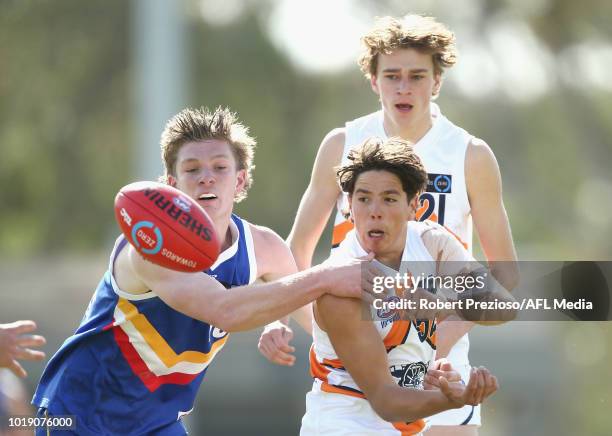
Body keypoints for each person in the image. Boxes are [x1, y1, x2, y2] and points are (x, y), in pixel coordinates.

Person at [32, 106, 380, 435]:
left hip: (157, 420)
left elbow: (316, 322)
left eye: (219, 167)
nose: (206, 179)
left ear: (241, 180)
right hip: (80, 409)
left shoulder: (265, 248)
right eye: (192, 169)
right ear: (171, 183)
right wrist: (327, 276)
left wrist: (397, 353)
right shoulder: (151, 246)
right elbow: (224, 310)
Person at [260, 14, 518, 435]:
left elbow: (503, 275)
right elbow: (296, 253)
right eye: (392, 75)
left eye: (417, 76)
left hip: (440, 370)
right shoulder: (342, 144)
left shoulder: (469, 154)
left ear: (436, 82)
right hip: (354, 376)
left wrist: (430, 344)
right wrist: (292, 321)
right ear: (374, 81)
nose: (404, 87)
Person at [300, 137, 499, 435]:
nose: (374, 211)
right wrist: (452, 399)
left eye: (389, 199)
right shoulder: (340, 283)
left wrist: (431, 346)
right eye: (363, 198)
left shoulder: (431, 242)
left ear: (413, 206)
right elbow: (387, 402)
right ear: (349, 206)